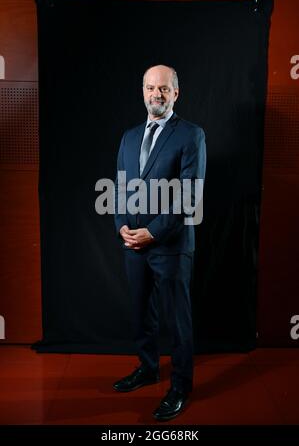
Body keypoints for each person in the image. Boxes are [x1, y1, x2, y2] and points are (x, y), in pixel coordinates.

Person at [113, 64, 206, 421]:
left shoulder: (191, 135)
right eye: (151, 87)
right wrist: (122, 226)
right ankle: (148, 368)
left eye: (164, 89)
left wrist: (152, 231)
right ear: (143, 91)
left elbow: (188, 195)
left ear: (176, 94)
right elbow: (120, 186)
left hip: (170, 244)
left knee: (176, 320)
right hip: (134, 244)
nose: (157, 94)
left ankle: (181, 386)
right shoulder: (130, 136)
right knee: (141, 313)